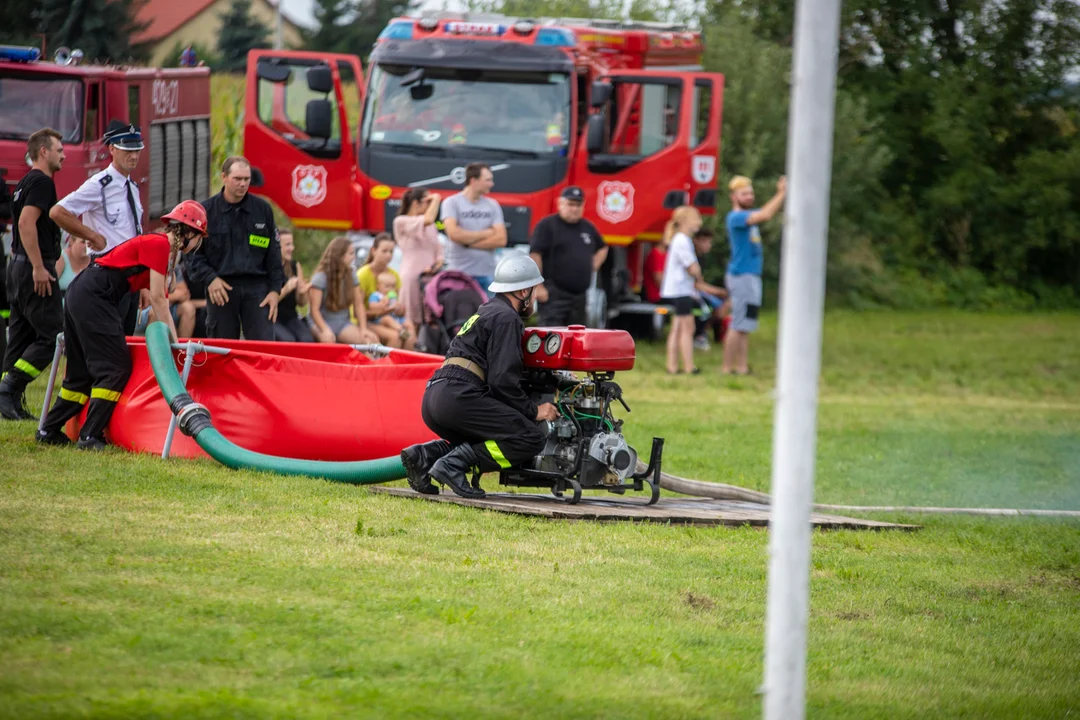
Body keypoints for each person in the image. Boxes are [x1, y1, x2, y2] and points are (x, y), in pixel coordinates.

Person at [36, 200, 208, 449]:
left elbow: (160, 298)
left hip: (83, 292)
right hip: (95, 295)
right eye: (198, 238)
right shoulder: (160, 244)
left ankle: (48, 430)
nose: (197, 245)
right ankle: (89, 435)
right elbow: (160, 301)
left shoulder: (158, 245)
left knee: (81, 373)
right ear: (189, 233)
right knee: (115, 368)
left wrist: (173, 341)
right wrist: (175, 345)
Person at [401, 254, 559, 499]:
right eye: (535, 291)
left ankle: (425, 456)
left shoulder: (486, 311)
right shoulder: (507, 318)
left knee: (485, 436)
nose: (535, 297)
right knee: (528, 437)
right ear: (524, 291)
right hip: (459, 398)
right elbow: (502, 382)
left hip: (435, 397)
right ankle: (454, 466)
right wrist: (533, 411)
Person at [51, 120, 146, 335]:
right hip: (109, 270)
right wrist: (90, 235)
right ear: (112, 149)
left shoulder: (132, 186)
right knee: (110, 341)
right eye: (127, 150)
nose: (133, 156)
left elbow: (135, 234)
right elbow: (58, 212)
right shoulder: (99, 184)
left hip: (132, 273)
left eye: (137, 151)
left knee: (127, 339)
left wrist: (143, 282)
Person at [0, 128, 65, 421]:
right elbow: (26, 223)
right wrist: (39, 266)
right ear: (43, 152)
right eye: (59, 149)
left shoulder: (25, 182)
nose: (63, 154)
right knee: (52, 336)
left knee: (21, 335)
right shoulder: (41, 182)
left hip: (17, 267)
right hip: (32, 268)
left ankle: (7, 402)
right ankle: (9, 387)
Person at [186, 156, 283, 341]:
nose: (243, 184)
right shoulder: (206, 211)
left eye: (246, 179)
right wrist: (210, 278)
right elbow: (192, 255)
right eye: (237, 179)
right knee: (221, 348)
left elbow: (274, 255)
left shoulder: (262, 210)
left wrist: (275, 291)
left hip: (257, 288)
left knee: (263, 348)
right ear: (224, 177)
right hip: (221, 287)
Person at [723, 175, 787, 375]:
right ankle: (727, 368)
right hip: (741, 276)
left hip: (751, 276)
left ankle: (741, 368)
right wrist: (782, 193)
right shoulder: (736, 218)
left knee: (746, 324)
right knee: (738, 323)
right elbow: (766, 215)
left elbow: (766, 213)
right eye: (744, 194)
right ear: (734, 197)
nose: (749, 196)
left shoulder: (748, 216)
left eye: (751, 193)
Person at [659, 206, 726, 375]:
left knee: (680, 328)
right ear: (685, 221)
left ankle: (674, 366)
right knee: (685, 328)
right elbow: (691, 266)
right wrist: (699, 276)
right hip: (681, 290)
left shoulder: (679, 239)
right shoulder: (682, 240)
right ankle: (687, 367)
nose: (699, 222)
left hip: (679, 290)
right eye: (696, 218)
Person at [529, 186, 607, 326]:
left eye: (578, 205)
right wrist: (538, 286)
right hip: (554, 294)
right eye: (570, 204)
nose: (574, 208)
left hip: (580, 297)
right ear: (560, 203)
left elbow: (602, 247)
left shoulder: (587, 227)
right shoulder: (547, 225)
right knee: (552, 340)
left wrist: (593, 265)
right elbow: (535, 255)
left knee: (576, 339)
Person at [440, 163, 507, 295]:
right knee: (463, 315)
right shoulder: (452, 203)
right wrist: (487, 233)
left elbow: (501, 240)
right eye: (487, 180)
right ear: (473, 180)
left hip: (488, 274)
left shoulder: (492, 205)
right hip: (460, 274)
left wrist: (467, 243)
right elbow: (454, 234)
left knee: (488, 315)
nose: (491, 184)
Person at [308, 236, 378, 345]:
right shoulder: (321, 277)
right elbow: (314, 310)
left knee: (369, 342)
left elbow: (358, 304)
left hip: (342, 322)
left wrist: (363, 328)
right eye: (350, 253)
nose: (353, 257)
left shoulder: (351, 273)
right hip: (321, 322)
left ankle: (374, 362)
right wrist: (325, 329)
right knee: (328, 342)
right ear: (339, 256)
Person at [392, 188, 443, 327]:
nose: (430, 206)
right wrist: (436, 198)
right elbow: (428, 219)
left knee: (428, 318)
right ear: (416, 203)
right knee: (411, 318)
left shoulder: (431, 225)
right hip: (411, 276)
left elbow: (438, 248)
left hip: (429, 277)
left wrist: (437, 263)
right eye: (428, 202)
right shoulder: (401, 221)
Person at [357, 233, 416, 349]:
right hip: (367, 321)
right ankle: (386, 366)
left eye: (391, 252)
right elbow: (358, 312)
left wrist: (400, 310)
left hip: (390, 319)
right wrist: (381, 311)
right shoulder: (362, 275)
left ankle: (407, 365)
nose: (388, 255)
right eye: (384, 251)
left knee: (409, 332)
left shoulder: (394, 275)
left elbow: (396, 305)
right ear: (373, 251)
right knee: (395, 336)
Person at [273, 229, 312, 342]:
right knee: (288, 340)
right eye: (287, 245)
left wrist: (303, 293)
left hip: (291, 317)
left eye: (292, 244)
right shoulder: (267, 268)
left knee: (307, 339)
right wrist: (286, 289)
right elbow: (265, 303)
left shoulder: (295, 266)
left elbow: (301, 303)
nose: (292, 248)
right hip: (273, 319)